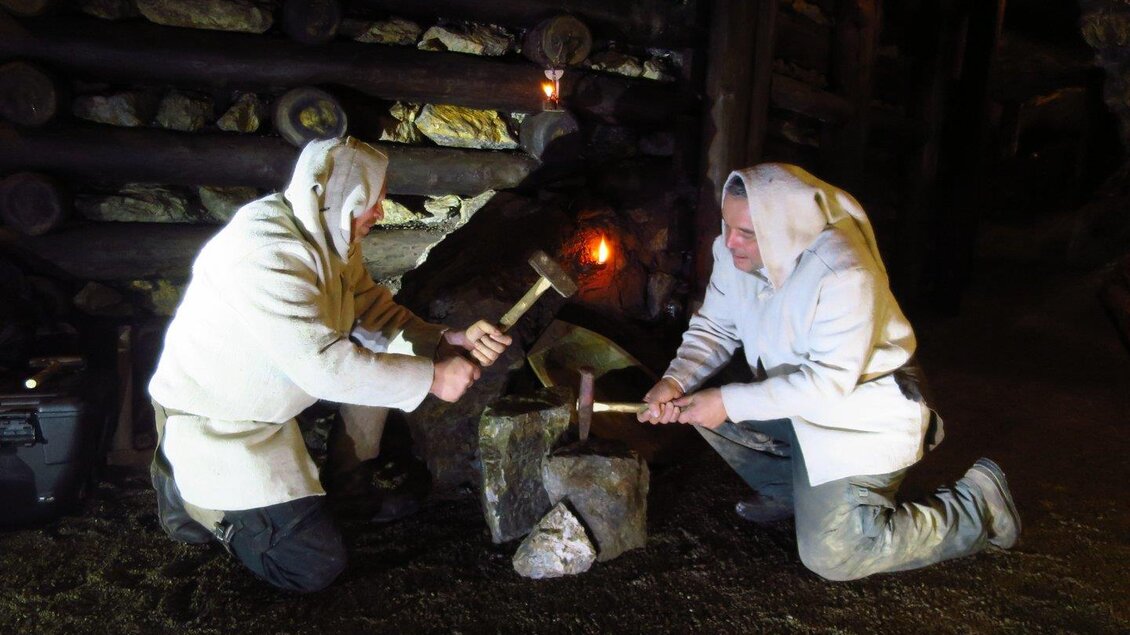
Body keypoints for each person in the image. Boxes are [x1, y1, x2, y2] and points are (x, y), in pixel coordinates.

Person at [147, 136, 511, 592]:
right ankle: (190, 494)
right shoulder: (265, 253)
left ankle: (350, 492)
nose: (380, 212)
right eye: (373, 201)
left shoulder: (326, 232)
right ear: (341, 198)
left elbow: (370, 311)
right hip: (221, 424)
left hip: (273, 413)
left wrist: (443, 340)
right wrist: (434, 378)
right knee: (312, 565)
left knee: (382, 364)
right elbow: (323, 366)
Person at [638, 163, 1020, 581]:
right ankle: (793, 490)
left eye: (747, 232)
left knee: (834, 555)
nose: (729, 241)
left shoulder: (843, 272)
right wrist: (674, 380)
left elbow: (829, 382)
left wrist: (728, 401)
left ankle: (976, 506)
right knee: (692, 403)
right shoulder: (733, 253)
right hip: (801, 395)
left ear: (784, 228)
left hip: (865, 408)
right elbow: (715, 326)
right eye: (727, 224)